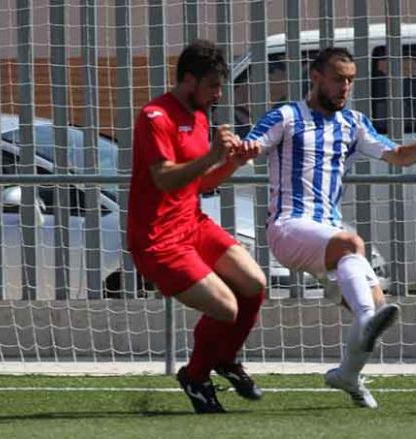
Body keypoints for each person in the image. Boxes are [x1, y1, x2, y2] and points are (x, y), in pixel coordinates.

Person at [245, 47, 416, 408]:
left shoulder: (353, 124)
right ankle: (362, 324)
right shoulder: (286, 116)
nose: (345, 88)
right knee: (351, 243)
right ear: (316, 77)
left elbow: (398, 155)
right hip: (288, 228)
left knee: (376, 307)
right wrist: (237, 147)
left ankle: (348, 375)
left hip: (324, 236)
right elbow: (253, 145)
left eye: (350, 81)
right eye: (338, 79)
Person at [127, 39, 265, 414]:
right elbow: (164, 179)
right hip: (158, 240)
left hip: (192, 222)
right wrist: (211, 155)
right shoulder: (155, 116)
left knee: (254, 285)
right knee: (225, 307)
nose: (218, 94)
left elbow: (199, 183)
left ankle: (225, 359)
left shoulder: (201, 113)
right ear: (189, 80)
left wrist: (232, 162)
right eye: (213, 86)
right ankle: (196, 376)